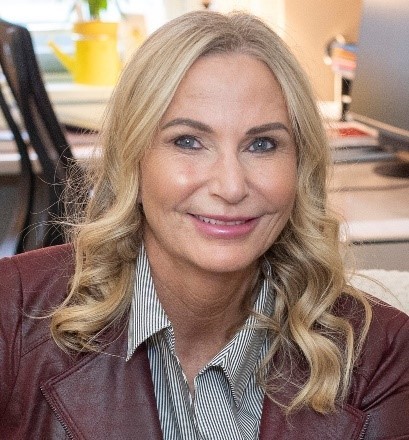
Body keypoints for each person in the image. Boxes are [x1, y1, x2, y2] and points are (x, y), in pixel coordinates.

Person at [0, 10, 408, 440]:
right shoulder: (10, 314)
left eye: (262, 144)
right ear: (132, 162)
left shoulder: (381, 355)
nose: (231, 186)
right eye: (188, 142)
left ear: (300, 168)